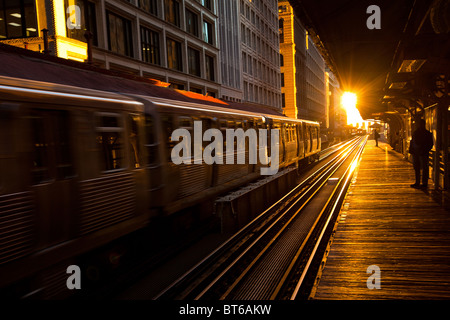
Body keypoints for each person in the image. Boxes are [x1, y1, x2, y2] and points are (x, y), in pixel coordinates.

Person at [409, 119, 434, 188]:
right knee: (419, 168)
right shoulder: (423, 133)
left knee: (422, 168)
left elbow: (430, 143)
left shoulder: (423, 133)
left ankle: (421, 183)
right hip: (419, 153)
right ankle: (421, 183)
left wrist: (424, 149)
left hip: (422, 153)